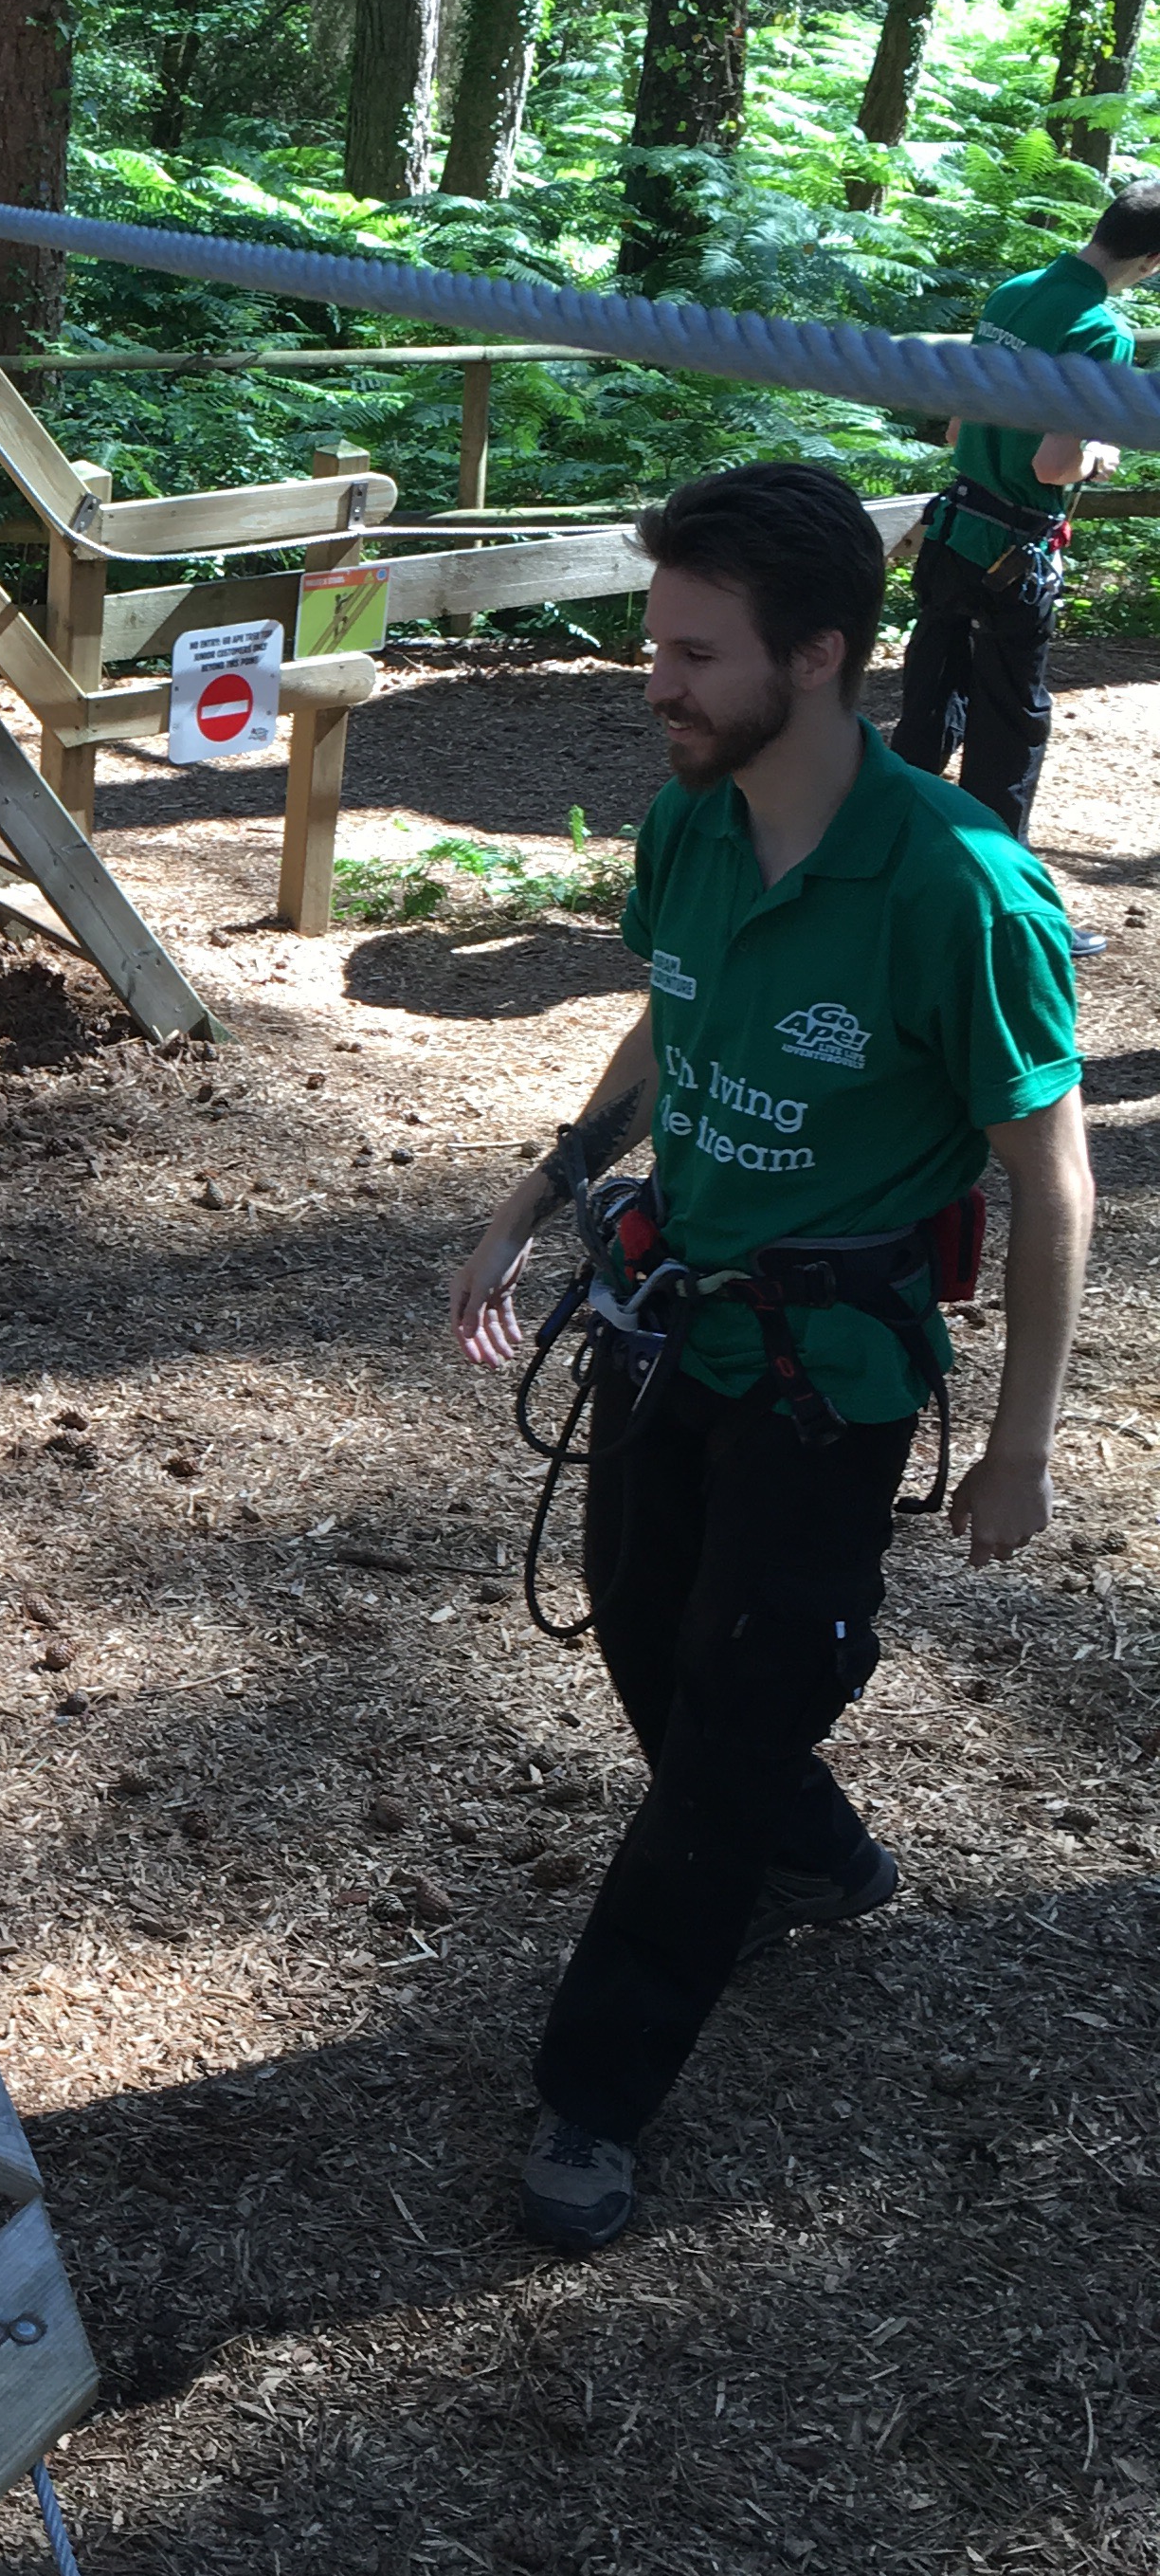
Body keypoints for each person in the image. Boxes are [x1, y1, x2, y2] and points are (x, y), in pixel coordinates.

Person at [450, 464, 1093, 2254]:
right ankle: (812, 1847)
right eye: (653, 642)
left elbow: (1050, 1180)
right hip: (670, 1320)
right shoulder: (693, 820)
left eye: (690, 652)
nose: (650, 682)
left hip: (828, 1376)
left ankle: (595, 2089)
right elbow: (665, 1028)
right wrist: (534, 1197)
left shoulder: (960, 891)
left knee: (730, 1714)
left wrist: (1021, 1444)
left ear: (814, 658)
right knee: (642, 1628)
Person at [892, 177, 1160, 905]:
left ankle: (886, 864)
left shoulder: (1011, 294)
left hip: (954, 532)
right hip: (1014, 556)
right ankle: (999, 901)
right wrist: (1099, 454)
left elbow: (958, 428)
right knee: (1009, 726)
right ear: (1152, 262)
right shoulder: (1099, 334)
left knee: (929, 705)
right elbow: (1053, 465)